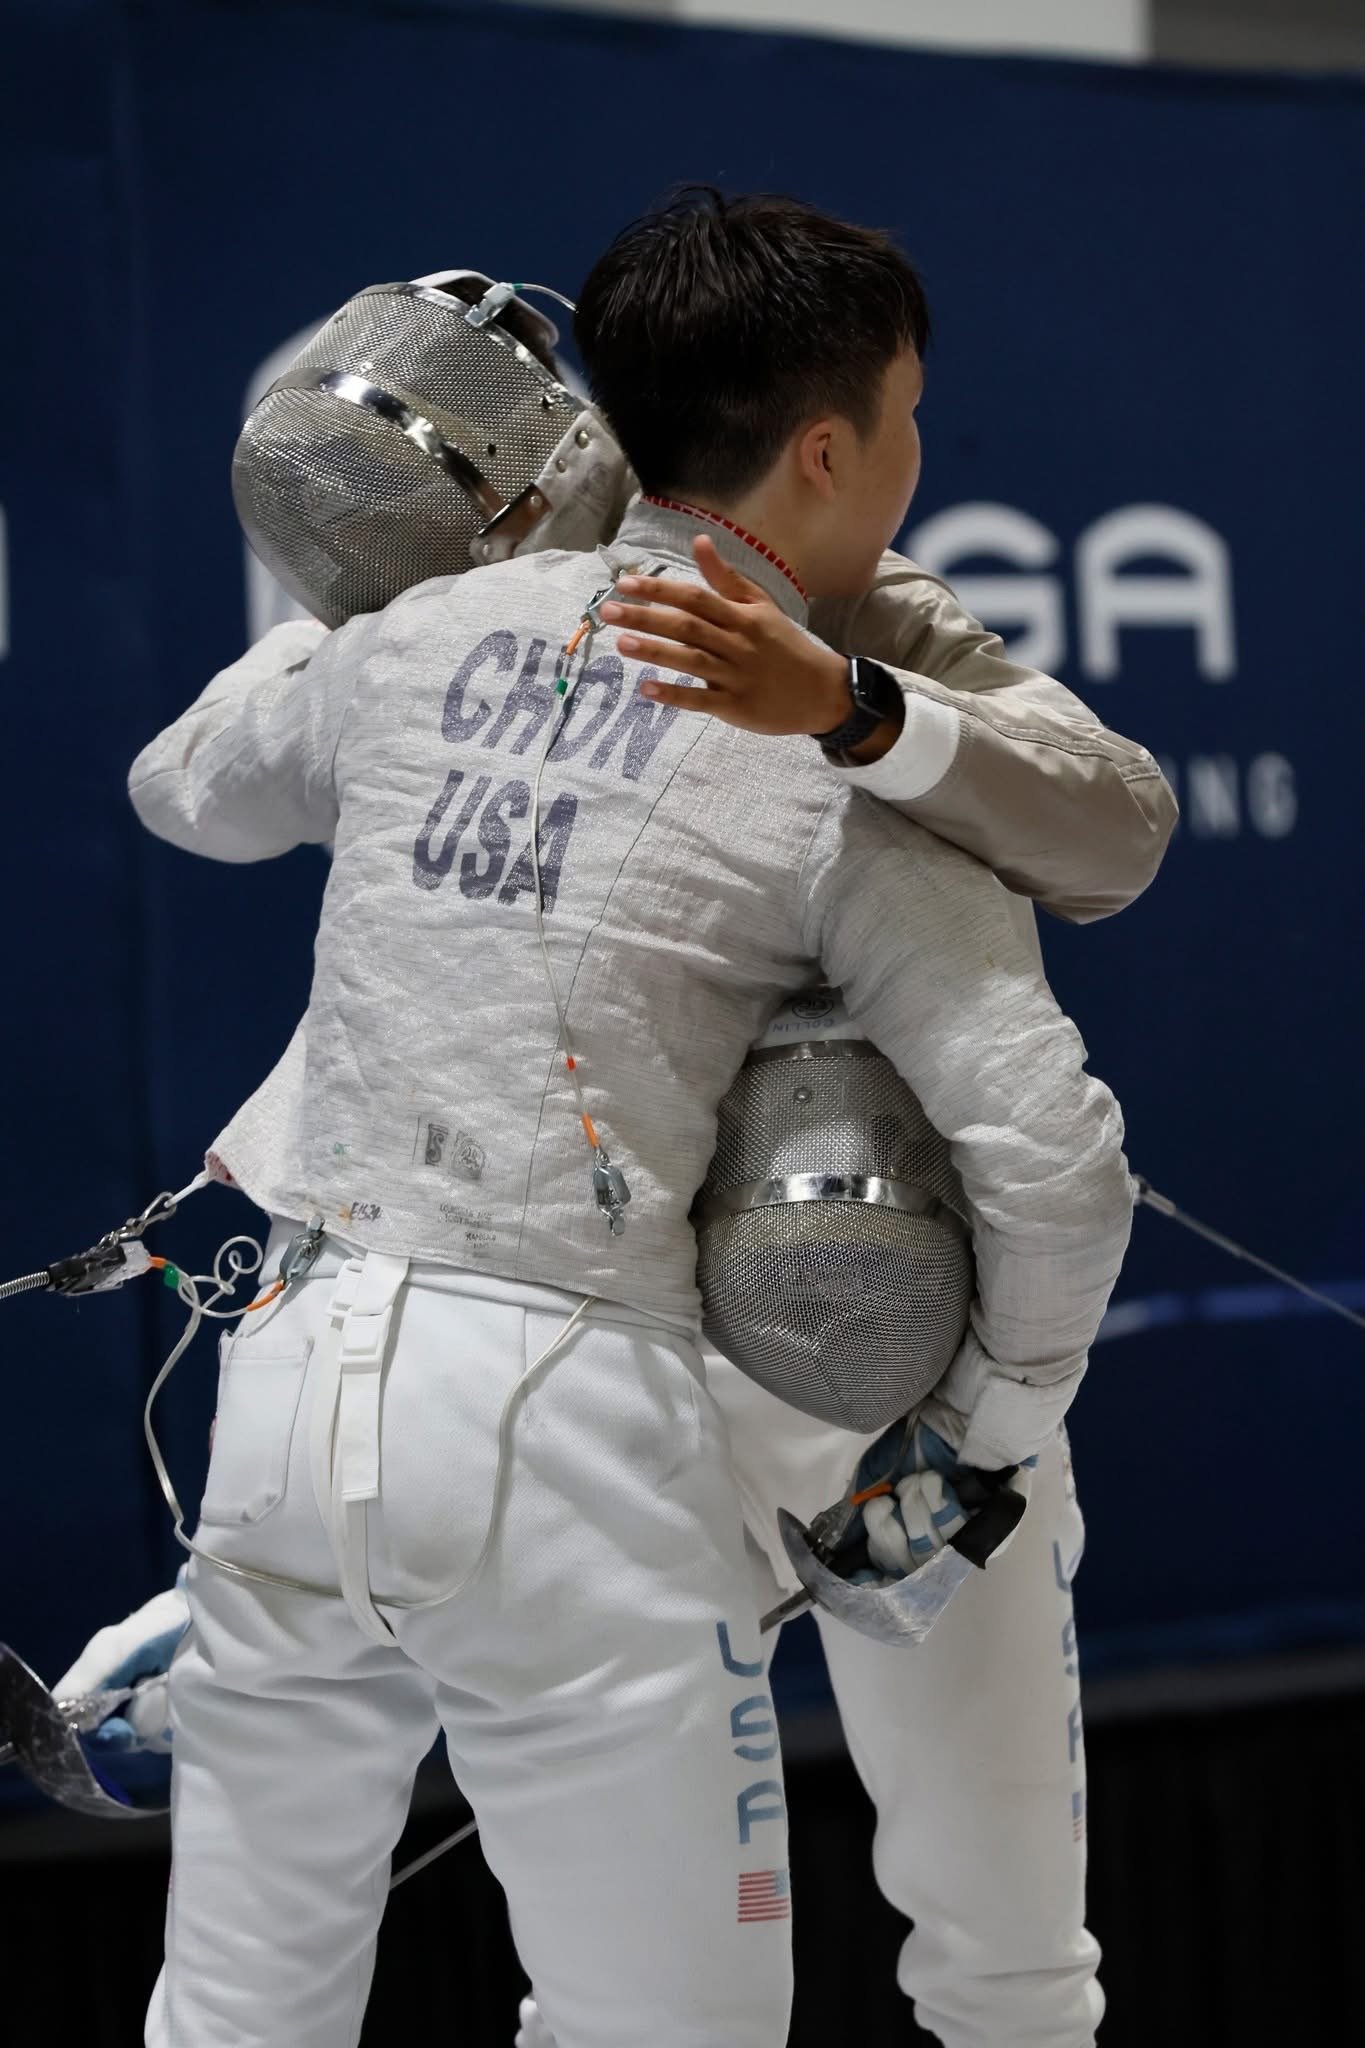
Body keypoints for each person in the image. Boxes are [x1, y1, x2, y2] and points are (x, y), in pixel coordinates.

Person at [63, 209, 1164, 2047]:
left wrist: (850, 689)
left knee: (246, 2015)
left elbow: (1109, 820)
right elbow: (1057, 1159)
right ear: (826, 443)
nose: (918, 448)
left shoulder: (845, 655)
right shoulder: (543, 666)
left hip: (720, 1369)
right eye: (905, 412)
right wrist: (979, 1446)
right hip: (603, 1405)